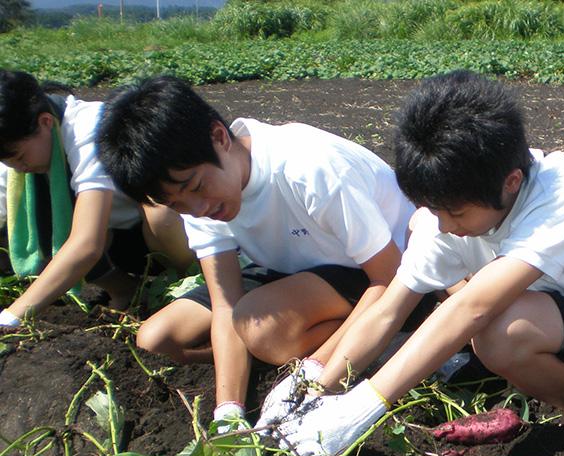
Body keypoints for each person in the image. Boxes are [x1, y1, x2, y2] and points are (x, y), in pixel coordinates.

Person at [257, 69, 564, 456]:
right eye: (433, 209)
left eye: (457, 214)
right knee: (486, 323)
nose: (444, 226)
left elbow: (472, 308)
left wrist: (363, 407)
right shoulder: (448, 214)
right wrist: (315, 387)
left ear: (511, 182)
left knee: (498, 330)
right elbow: (389, 309)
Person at [97, 75, 422, 429]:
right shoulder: (201, 201)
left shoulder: (307, 167)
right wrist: (229, 411)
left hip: (383, 264)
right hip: (293, 266)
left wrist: (311, 378)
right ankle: (282, 350)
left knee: (263, 331)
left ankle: (372, 339)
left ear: (219, 137)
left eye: (196, 187)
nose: (198, 208)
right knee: (156, 339)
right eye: (176, 203)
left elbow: (388, 275)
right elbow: (225, 305)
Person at [0, 70, 191, 328]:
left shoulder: (89, 129)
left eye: (21, 158)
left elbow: (87, 244)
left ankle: (190, 287)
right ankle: (127, 290)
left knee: (159, 212)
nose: (19, 168)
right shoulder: (17, 157)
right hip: (124, 241)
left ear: (45, 122)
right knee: (43, 225)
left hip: (178, 231)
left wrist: (13, 316)